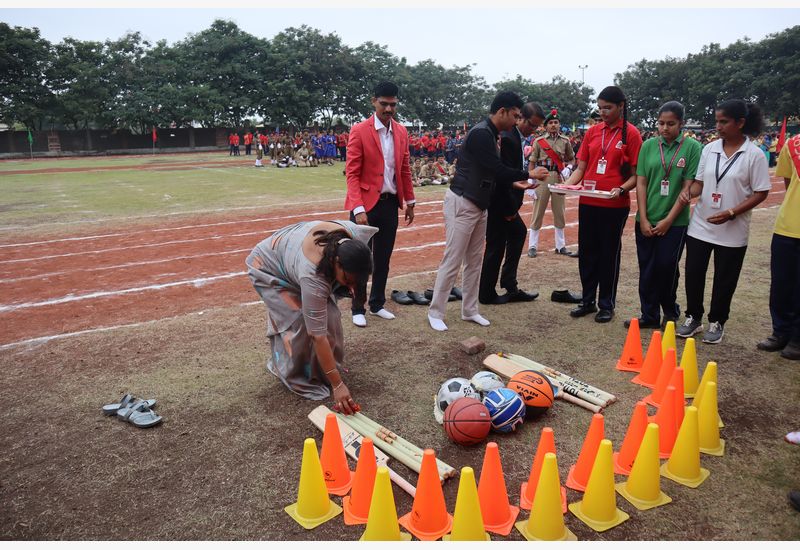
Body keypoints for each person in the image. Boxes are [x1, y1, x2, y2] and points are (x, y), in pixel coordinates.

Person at [427, 91, 548, 331]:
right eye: (514, 116)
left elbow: (493, 173)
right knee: (453, 259)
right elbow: (496, 168)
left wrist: (516, 182)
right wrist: (528, 174)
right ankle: (436, 311)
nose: (516, 121)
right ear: (502, 111)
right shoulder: (482, 133)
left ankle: (470, 310)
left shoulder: (492, 133)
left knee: (474, 261)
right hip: (463, 201)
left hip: (479, 203)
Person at [246, 220, 376, 414]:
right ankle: (288, 371)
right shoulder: (312, 276)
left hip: (294, 259)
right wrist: (338, 385)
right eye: (348, 280)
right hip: (267, 267)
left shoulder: (353, 238)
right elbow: (318, 335)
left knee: (330, 317)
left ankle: (323, 370)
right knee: (298, 322)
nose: (350, 287)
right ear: (337, 262)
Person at [676, 99, 770, 344]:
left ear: (741, 123)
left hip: (732, 229)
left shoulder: (754, 155)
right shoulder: (710, 149)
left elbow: (761, 192)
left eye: (724, 121)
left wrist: (731, 212)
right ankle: (693, 317)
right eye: (717, 121)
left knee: (724, 278)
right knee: (694, 273)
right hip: (701, 224)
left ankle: (717, 321)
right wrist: (689, 192)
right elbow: (700, 183)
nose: (718, 126)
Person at [562, 86, 643, 323]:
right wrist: (567, 186)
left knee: (609, 254)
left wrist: (621, 189)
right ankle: (587, 300)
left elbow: (636, 176)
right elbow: (581, 168)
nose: (603, 112)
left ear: (621, 106)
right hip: (589, 201)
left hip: (614, 205)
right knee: (587, 252)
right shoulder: (593, 132)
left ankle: (606, 304)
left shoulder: (632, 134)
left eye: (608, 107)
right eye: (600, 108)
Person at [345, 81, 416, 328]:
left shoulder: (401, 132)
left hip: (389, 205)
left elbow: (404, 169)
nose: (388, 108)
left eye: (393, 104)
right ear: (373, 101)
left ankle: (377, 304)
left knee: (383, 259)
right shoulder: (359, 130)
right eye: (384, 103)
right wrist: (358, 209)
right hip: (365, 206)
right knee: (359, 260)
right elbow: (352, 173)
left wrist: (410, 201)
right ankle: (357, 307)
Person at [626, 101, 702, 329]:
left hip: (675, 223)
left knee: (666, 267)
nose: (665, 128)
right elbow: (641, 182)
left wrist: (669, 220)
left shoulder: (691, 148)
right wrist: (644, 218)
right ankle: (648, 315)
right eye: (661, 123)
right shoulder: (649, 145)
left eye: (671, 124)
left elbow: (687, 188)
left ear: (681, 123)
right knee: (647, 269)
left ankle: (670, 309)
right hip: (646, 220)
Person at [479, 101, 545, 305]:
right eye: (531, 125)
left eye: (536, 127)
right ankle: (488, 293)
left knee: (514, 234)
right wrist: (509, 208)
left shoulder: (516, 137)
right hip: (500, 202)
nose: (533, 130)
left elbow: (509, 177)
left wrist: (521, 185)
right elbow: (502, 176)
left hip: (505, 199)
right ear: (520, 118)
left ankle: (508, 284)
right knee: (496, 246)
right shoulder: (509, 139)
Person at [756, 132, 800, 359]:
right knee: (781, 283)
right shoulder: (794, 144)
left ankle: (797, 337)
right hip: (787, 226)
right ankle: (780, 331)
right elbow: (789, 181)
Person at [527, 108, 578, 258]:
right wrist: (531, 182)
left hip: (559, 177)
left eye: (556, 122)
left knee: (559, 211)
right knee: (538, 211)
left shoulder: (565, 141)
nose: (554, 125)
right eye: (551, 123)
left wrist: (568, 167)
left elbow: (571, 158)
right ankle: (532, 246)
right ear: (546, 126)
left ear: (559, 125)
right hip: (542, 177)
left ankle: (560, 246)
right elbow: (532, 162)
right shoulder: (539, 141)